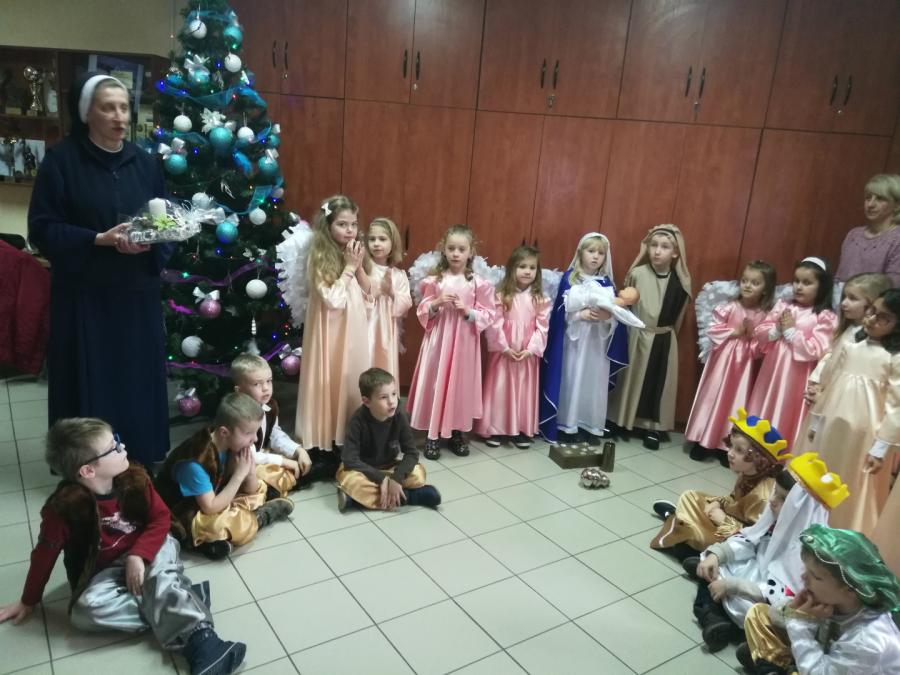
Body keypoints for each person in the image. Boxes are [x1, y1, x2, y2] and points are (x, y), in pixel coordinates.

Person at [0, 418, 246, 675]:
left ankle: (203, 641)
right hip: (105, 570)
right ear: (88, 471)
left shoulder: (135, 478)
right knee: (84, 612)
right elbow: (44, 555)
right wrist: (28, 600)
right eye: (113, 446)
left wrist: (138, 555)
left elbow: (161, 519)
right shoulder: (63, 508)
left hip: (153, 546)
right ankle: (179, 599)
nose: (122, 446)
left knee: (159, 573)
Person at [27, 72, 171, 466]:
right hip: (85, 297)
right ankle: (87, 463)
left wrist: (153, 242)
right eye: (108, 108)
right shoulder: (61, 161)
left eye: (124, 107)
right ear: (86, 113)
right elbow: (42, 228)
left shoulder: (145, 163)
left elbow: (164, 220)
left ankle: (139, 457)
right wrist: (96, 239)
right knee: (90, 380)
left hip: (136, 295)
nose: (119, 116)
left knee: (136, 379)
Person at [687, 452, 848, 652]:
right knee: (713, 559)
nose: (772, 501)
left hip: (767, 599)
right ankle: (714, 601)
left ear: (802, 510)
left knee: (754, 611)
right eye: (775, 493)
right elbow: (750, 539)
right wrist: (717, 555)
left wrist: (733, 586)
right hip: (758, 574)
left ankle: (714, 617)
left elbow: (784, 598)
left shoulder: (809, 556)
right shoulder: (775, 519)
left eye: (783, 499)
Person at [798, 288, 900, 534]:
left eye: (883, 318)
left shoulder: (894, 358)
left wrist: (880, 448)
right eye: (872, 311)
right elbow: (830, 384)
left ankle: (842, 529)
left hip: (864, 437)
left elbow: (896, 406)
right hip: (832, 425)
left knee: (852, 482)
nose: (872, 319)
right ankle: (804, 524)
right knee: (821, 471)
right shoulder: (852, 344)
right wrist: (816, 422)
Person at [741, 525, 900, 674]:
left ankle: (773, 666)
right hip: (823, 661)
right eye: (806, 570)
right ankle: (775, 665)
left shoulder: (867, 641)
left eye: (816, 576)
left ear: (850, 589)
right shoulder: (834, 599)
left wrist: (799, 624)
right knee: (759, 613)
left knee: (759, 652)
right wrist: (793, 610)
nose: (803, 577)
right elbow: (775, 615)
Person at [155, 393, 294, 560]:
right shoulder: (195, 463)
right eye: (249, 433)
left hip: (216, 492)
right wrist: (239, 476)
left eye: (255, 432)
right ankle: (260, 517)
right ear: (224, 432)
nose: (255, 439)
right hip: (185, 510)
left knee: (264, 473)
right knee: (214, 525)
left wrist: (249, 471)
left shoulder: (233, 442)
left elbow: (251, 489)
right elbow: (210, 508)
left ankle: (233, 529)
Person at [295, 195, 371, 476]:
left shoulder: (353, 253)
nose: (350, 230)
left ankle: (347, 439)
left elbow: (370, 295)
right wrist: (350, 268)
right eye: (342, 224)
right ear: (327, 226)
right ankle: (323, 443)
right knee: (329, 379)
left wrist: (358, 267)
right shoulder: (318, 257)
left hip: (353, 329)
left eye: (354, 224)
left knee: (350, 379)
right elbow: (333, 299)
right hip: (330, 331)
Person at [650, 407, 790, 559]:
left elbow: (755, 537)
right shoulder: (747, 474)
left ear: (759, 459)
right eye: (731, 446)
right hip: (728, 518)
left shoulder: (763, 496)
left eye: (739, 450)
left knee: (703, 537)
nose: (730, 453)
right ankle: (683, 525)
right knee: (690, 496)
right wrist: (718, 503)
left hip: (736, 537)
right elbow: (734, 500)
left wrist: (723, 520)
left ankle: (680, 525)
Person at [406, 224, 497, 459]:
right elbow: (423, 308)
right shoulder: (435, 281)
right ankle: (432, 434)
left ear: (471, 252)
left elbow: (488, 313)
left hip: (464, 343)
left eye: (461, 249)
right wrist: (436, 304)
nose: (456, 254)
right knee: (437, 382)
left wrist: (467, 311)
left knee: (460, 385)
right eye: (451, 248)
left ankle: (457, 432)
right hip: (439, 341)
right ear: (444, 250)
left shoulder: (478, 283)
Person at [539, 234, 628, 445]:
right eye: (591, 251)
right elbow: (559, 313)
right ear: (581, 253)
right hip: (575, 343)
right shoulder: (570, 279)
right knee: (572, 380)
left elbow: (616, 314)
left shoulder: (606, 283)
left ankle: (589, 426)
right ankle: (567, 426)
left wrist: (607, 317)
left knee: (593, 384)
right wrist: (580, 314)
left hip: (597, 344)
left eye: (601, 253)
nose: (596, 256)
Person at [608, 224, 692, 450]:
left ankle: (652, 427)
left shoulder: (680, 281)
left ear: (675, 252)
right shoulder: (637, 274)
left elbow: (679, 316)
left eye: (664, 247)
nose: (657, 251)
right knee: (629, 378)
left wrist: (666, 334)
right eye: (653, 245)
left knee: (658, 381)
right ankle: (619, 419)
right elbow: (624, 305)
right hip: (636, 335)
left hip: (663, 337)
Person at [686, 261, 775, 463]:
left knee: (734, 402)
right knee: (712, 397)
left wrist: (752, 336)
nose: (748, 286)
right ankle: (701, 439)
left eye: (755, 283)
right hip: (721, 361)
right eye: (744, 281)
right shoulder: (730, 307)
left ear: (765, 289)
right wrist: (735, 332)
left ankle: (725, 444)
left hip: (743, 367)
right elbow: (713, 330)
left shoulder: (764, 315)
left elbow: (760, 349)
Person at [748, 257, 837, 447]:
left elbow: (818, 349)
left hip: (798, 375)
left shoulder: (825, 316)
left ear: (822, 286)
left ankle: (780, 450)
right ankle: (754, 447)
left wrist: (791, 333)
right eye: (796, 281)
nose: (799, 287)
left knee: (787, 408)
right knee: (766, 401)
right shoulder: (783, 305)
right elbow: (761, 330)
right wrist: (775, 331)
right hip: (772, 370)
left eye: (807, 282)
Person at [476, 245, 551, 448]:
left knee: (522, 390)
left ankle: (519, 429)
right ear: (512, 269)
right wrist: (504, 347)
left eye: (532, 268)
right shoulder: (501, 296)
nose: (527, 271)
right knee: (500, 389)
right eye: (522, 266)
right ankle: (495, 428)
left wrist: (531, 350)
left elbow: (542, 327)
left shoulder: (540, 299)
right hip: (504, 353)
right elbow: (494, 323)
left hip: (526, 355)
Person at [336, 367, 441, 511]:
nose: (392, 402)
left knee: (418, 474)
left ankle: (356, 500)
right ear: (367, 401)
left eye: (394, 394)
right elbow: (350, 459)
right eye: (383, 397)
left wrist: (396, 479)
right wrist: (381, 479)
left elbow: (411, 453)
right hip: (363, 470)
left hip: (389, 466)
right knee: (351, 481)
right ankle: (411, 496)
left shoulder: (399, 416)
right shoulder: (357, 421)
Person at [802, 273, 892, 409]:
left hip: (838, 403)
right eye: (844, 297)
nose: (843, 303)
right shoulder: (849, 329)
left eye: (853, 298)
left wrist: (826, 398)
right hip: (825, 396)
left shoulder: (865, 341)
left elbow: (851, 381)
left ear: (872, 304)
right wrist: (817, 383)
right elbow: (830, 358)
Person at [231, 352, 311, 496]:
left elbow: (274, 434)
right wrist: (282, 461)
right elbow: (249, 455)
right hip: (242, 465)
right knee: (270, 476)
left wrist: (299, 450)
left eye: (269, 381)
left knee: (299, 461)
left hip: (260, 455)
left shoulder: (270, 406)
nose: (266, 388)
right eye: (257, 384)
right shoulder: (238, 416)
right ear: (239, 390)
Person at [361, 217, 413, 381]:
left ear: (393, 243)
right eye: (372, 239)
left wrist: (390, 292)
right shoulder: (363, 270)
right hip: (365, 325)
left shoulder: (398, 275)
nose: (376, 244)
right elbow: (356, 299)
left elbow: (406, 304)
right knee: (365, 359)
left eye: (382, 239)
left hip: (386, 329)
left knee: (384, 362)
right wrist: (376, 292)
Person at [835, 174, 900, 286]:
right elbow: (839, 278)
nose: (870, 204)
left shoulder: (897, 240)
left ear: (897, 206)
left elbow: (892, 289)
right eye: (868, 198)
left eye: (880, 198)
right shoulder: (853, 235)